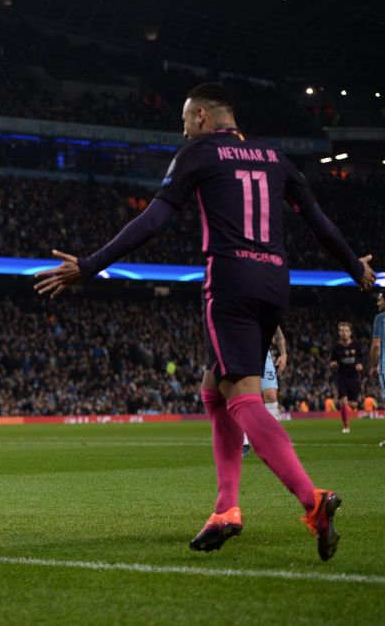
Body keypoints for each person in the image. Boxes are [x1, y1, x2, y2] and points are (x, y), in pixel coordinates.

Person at [33, 83, 376, 561]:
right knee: (213, 389)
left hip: (230, 281)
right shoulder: (277, 160)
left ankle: (312, 500)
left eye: (184, 120)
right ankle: (225, 508)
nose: (183, 129)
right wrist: (356, 269)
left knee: (241, 395)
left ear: (199, 117)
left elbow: (152, 222)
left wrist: (89, 265)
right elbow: (319, 222)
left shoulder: (198, 153)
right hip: (276, 282)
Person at [243, 326, 286, 456]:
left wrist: (283, 354)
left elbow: (277, 331)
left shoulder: (264, 307)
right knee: (244, 396)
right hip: (240, 353)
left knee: (271, 396)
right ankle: (244, 442)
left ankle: (273, 441)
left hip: (263, 353)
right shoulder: (236, 307)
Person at [330, 322, 362, 434]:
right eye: (342, 330)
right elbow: (332, 362)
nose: (344, 333)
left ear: (350, 333)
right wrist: (333, 364)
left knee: (353, 405)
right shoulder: (336, 348)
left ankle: (351, 404)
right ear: (339, 333)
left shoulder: (356, 346)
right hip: (342, 377)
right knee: (343, 402)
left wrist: (360, 366)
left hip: (353, 378)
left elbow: (360, 361)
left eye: (346, 330)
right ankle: (346, 426)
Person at [370, 292, 384, 447]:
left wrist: (373, 365)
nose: (378, 303)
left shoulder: (380, 318)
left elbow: (375, 345)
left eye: (380, 300)